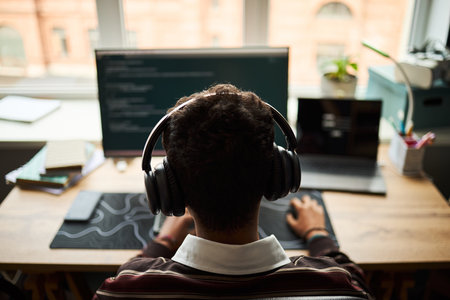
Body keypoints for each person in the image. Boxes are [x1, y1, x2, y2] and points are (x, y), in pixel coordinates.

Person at [93, 84, 373, 299]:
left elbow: (126, 274)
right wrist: (318, 235)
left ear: (169, 189)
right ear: (278, 176)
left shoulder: (123, 291)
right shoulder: (338, 286)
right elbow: (356, 280)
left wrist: (165, 238)